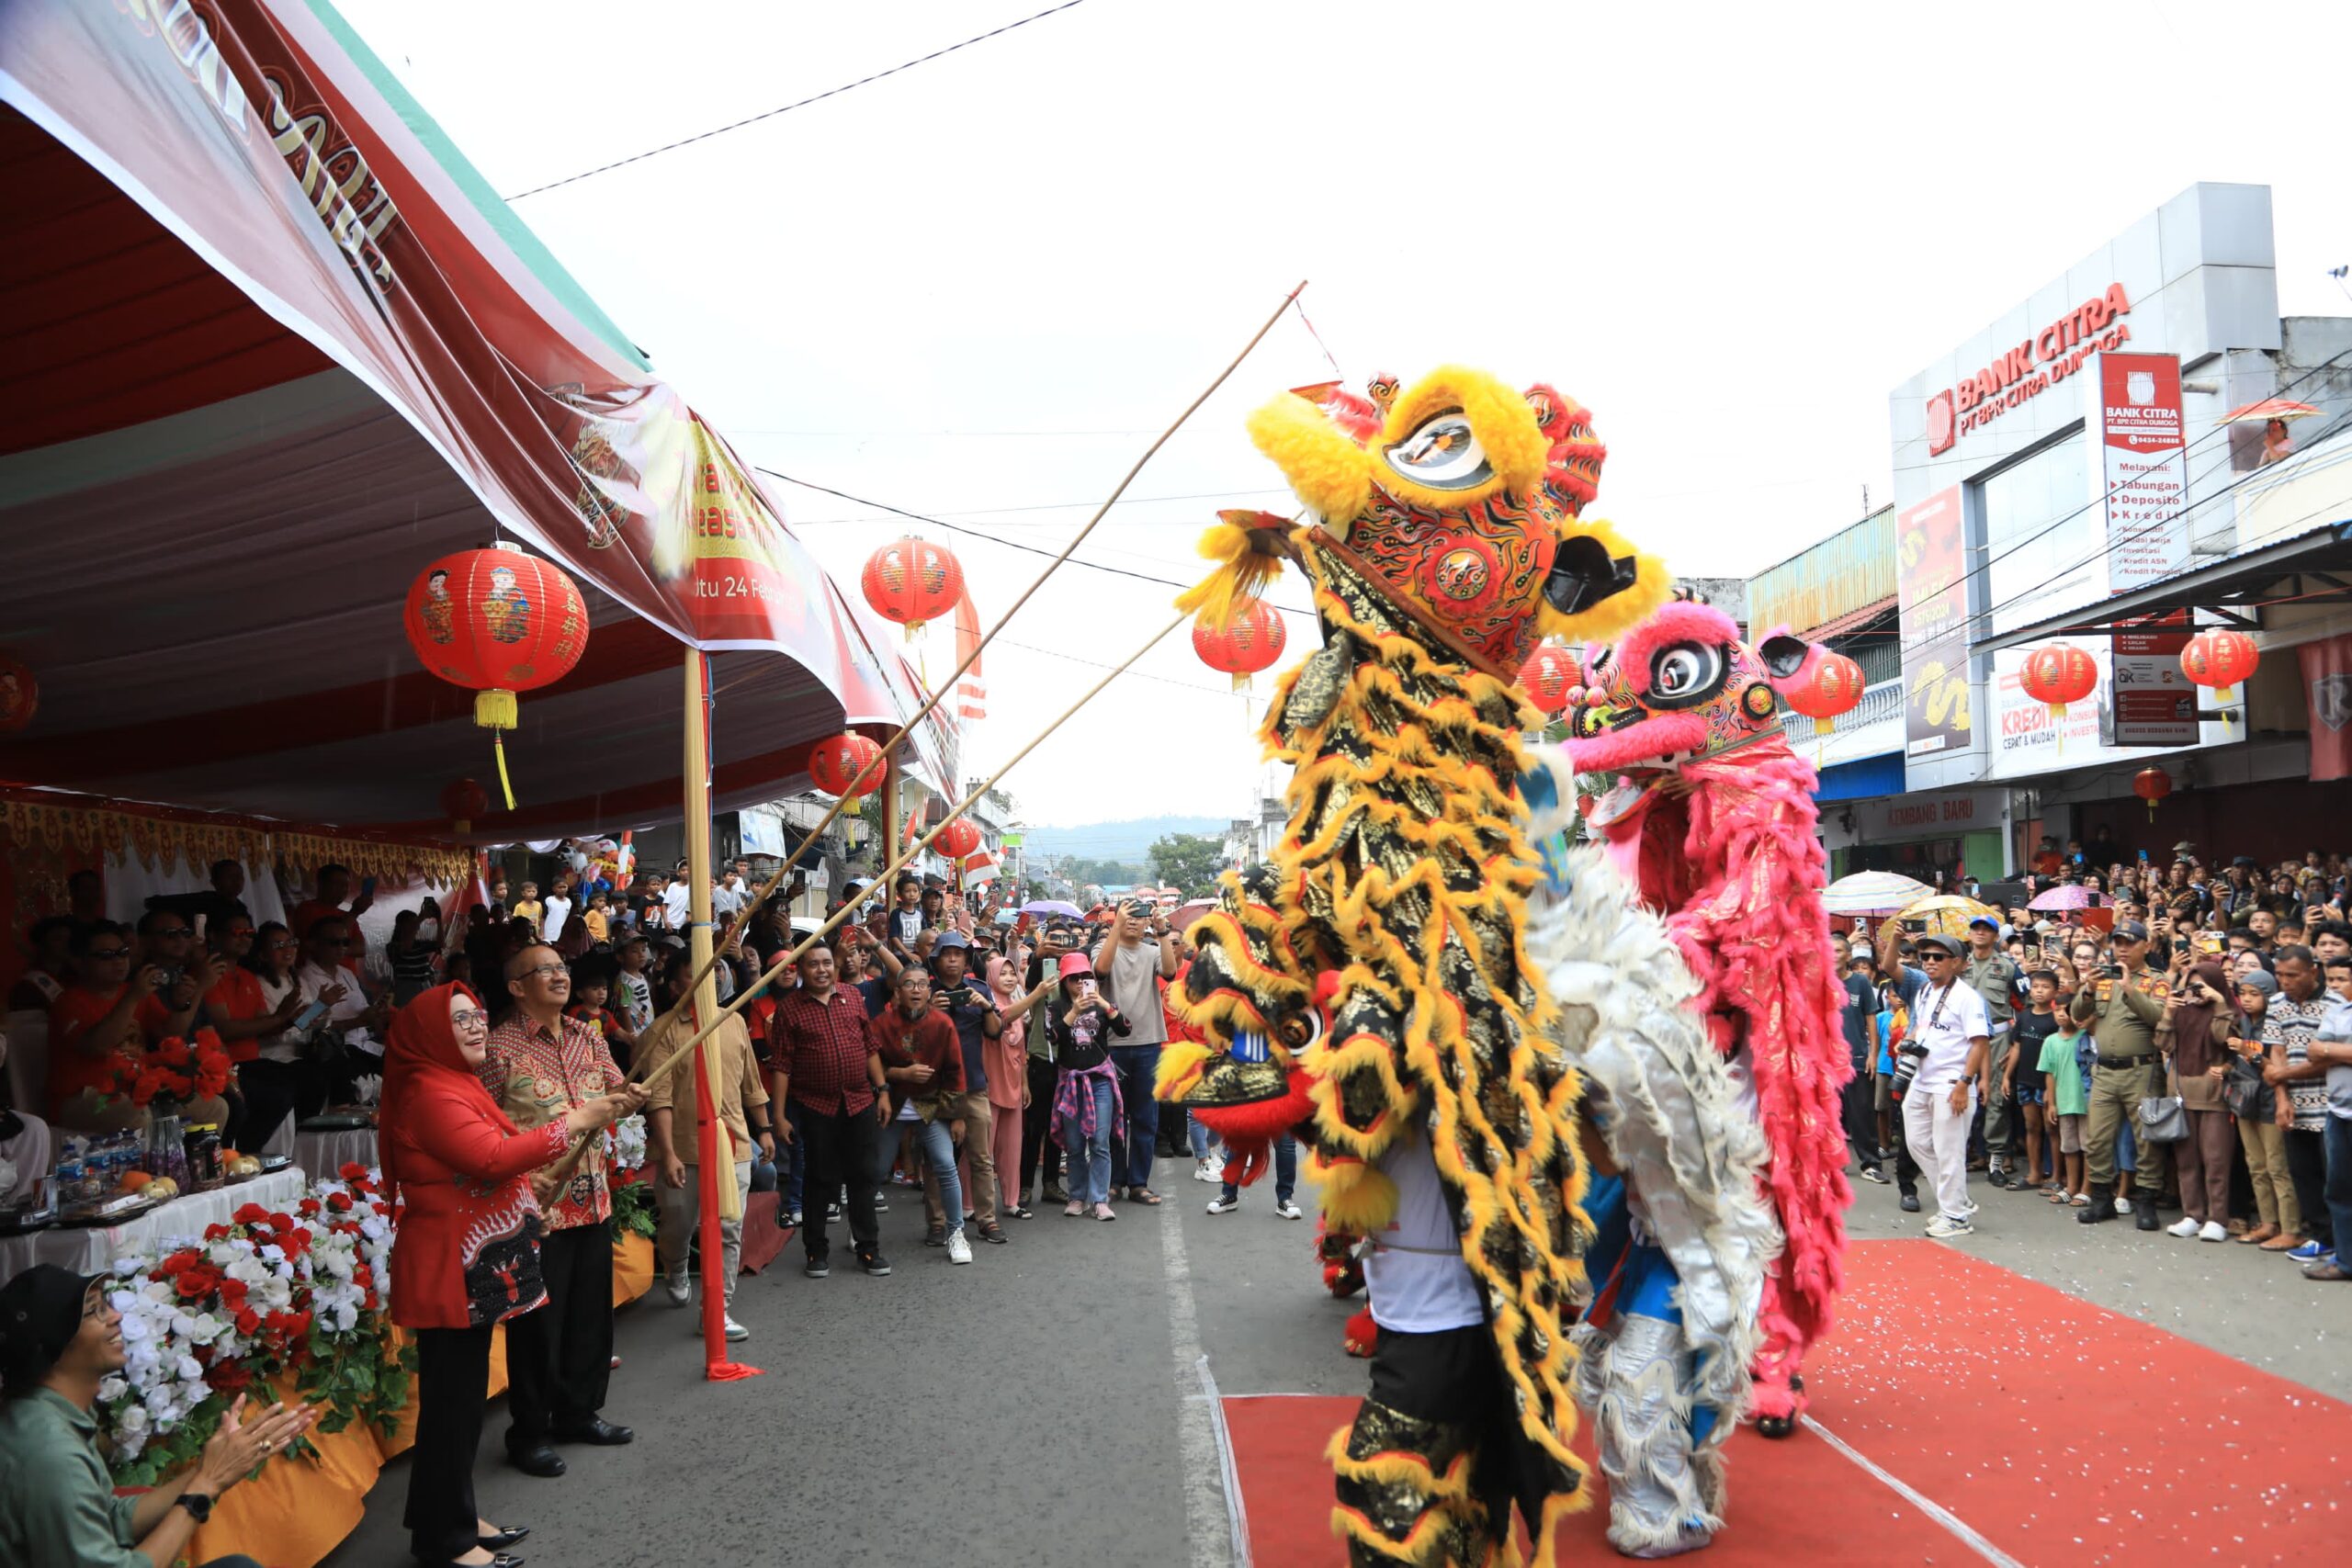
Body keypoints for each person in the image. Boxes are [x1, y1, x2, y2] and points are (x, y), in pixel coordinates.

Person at [381, 983, 635, 1567]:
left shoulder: (458, 1083)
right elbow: (490, 1159)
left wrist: (526, 1190)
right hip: (449, 1268)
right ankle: (444, 1543)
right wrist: (581, 1117)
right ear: (426, 1034)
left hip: (470, 1262)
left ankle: (450, 1518)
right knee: (453, 1406)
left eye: (476, 1014)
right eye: (458, 1019)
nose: (474, 1026)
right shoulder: (428, 1092)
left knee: (462, 1404)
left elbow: (490, 1158)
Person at [0, 1263, 318, 1568]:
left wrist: (215, 1467)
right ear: (54, 1347)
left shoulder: (44, 1414)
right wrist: (204, 1486)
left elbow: (110, 1517)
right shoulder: (50, 1453)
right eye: (95, 1311)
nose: (115, 1316)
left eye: (106, 1304)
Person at [478, 946, 635, 1476]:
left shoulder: (589, 1034)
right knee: (538, 1327)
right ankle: (529, 1432)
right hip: (536, 1209)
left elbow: (618, 1088)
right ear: (517, 987)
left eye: (562, 968)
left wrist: (631, 1094)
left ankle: (578, 1411)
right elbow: (484, 1130)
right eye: (544, 970)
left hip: (593, 1198)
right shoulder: (498, 1049)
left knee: (591, 1315)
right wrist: (520, 1179)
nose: (559, 976)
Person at [638, 955, 773, 1335]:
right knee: (679, 1225)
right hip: (682, 1149)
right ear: (677, 986)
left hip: (732, 1145)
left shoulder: (733, 1021)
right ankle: (676, 1264)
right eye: (692, 976)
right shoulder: (661, 1031)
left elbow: (750, 1084)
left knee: (730, 1227)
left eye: (713, 976)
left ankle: (717, 1309)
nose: (705, 983)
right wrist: (667, 1153)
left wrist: (763, 1128)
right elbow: (658, 1099)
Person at [767, 944, 891, 1279]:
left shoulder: (852, 997)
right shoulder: (790, 1010)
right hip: (814, 1105)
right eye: (813, 965)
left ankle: (868, 1248)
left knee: (864, 1176)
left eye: (826, 963)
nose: (821, 970)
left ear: (834, 966)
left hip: (860, 1100)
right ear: (802, 970)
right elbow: (781, 1066)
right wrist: (778, 1116)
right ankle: (815, 1251)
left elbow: (869, 1047)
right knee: (819, 1178)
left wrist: (882, 1091)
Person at [2070, 920, 2171, 1229]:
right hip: (2104, 1071)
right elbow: (2077, 1015)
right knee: (2098, 1139)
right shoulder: (2102, 978)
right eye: (2118, 942)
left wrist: (2130, 990)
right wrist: (2087, 989)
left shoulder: (2157, 980)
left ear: (2146, 946)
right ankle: (2102, 1199)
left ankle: (2146, 1201)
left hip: (2141, 1069)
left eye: (2130, 942)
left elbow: (2160, 1018)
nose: (2123, 948)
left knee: (2146, 1141)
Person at [869, 965, 972, 1263]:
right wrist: (897, 1075)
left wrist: (958, 1116)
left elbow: (955, 1071)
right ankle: (862, 1230)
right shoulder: (881, 1024)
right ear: (897, 993)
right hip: (895, 1102)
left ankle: (956, 1233)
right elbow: (869, 1061)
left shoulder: (943, 1024)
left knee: (945, 1164)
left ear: (929, 992)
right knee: (876, 1169)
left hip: (930, 1104)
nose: (915, 990)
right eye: (908, 985)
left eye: (921, 985)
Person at [1896, 933, 1991, 1238]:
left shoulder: (1967, 997)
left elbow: (1979, 1043)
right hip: (1922, 1079)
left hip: (1951, 1083)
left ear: (1958, 963)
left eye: (1938, 957)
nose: (1930, 962)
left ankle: (1955, 1216)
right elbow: (1923, 1029)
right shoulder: (1925, 990)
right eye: (1926, 957)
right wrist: (1909, 1042)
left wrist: (1965, 1083)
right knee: (1917, 1143)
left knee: (1949, 1151)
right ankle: (1956, 1200)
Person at [921, 931, 1009, 1245]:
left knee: (981, 1158)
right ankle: (937, 1222)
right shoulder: (924, 993)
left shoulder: (980, 990)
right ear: (936, 960)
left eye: (959, 954)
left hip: (973, 1086)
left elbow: (996, 1034)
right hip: (933, 1090)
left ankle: (987, 1219)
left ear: (967, 960)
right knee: (935, 1160)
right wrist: (930, 1010)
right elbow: (910, 1038)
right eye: (947, 954)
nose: (954, 960)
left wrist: (986, 1007)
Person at [1093, 898, 1179, 1203]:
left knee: (1145, 1117)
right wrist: (1115, 925)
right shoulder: (1104, 948)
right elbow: (1100, 970)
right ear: (1117, 917)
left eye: (1139, 915)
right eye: (1128, 914)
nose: (1133, 920)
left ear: (1146, 922)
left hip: (1149, 1043)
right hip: (1112, 1047)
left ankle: (1139, 1182)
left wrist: (1163, 932)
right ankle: (1115, 1181)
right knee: (1116, 1117)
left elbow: (1170, 972)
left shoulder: (1152, 950)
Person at [2262, 946, 2335, 1266]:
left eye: (2292, 975)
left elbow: (2327, 1059)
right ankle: (2321, 1238)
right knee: (2304, 1174)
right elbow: (2275, 1051)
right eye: (2280, 975)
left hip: (2332, 1105)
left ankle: (2340, 1240)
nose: (2285, 981)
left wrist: (2282, 1074)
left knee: (2336, 1178)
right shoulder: (2277, 1002)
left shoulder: (2335, 1003)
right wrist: (2282, 1098)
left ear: (2312, 972)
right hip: (2295, 1104)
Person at [1047, 950, 1128, 1220]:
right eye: (1074, 978)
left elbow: (1125, 1028)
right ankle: (1077, 1196)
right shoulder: (1057, 1006)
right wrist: (1074, 1011)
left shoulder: (1102, 1003)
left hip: (1100, 1081)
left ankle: (1100, 1199)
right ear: (1064, 981)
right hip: (1071, 1082)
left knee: (1100, 1141)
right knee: (1073, 1143)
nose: (1080, 983)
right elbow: (1053, 1036)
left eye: (1085, 977)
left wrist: (1104, 1004)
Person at [2229, 969, 2303, 1250]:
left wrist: (2249, 1053)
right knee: (2256, 1166)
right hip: (2246, 1100)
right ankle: (2268, 1223)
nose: (2246, 1000)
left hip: (2272, 1101)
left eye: (2254, 994)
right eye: (2243, 993)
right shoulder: (2244, 1022)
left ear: (2269, 996)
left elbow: (2277, 1067)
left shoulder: (2275, 1023)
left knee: (2277, 1167)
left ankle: (2291, 1227)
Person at [2301, 954, 2352, 1280]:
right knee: (2339, 1190)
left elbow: (2324, 1050)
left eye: (2341, 980)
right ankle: (2346, 1261)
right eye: (2330, 980)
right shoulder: (2338, 1012)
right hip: (2338, 1112)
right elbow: (2313, 1050)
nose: (2334, 986)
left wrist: (2330, 1051)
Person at [1960, 916, 2021, 1181]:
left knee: (1996, 1098)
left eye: (1987, 929)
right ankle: (1960, 1155)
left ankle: (1996, 1161)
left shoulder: (2008, 966)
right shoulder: (1959, 964)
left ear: (1996, 936)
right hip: (1963, 1040)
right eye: (1976, 929)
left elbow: (2029, 1004)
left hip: (1996, 1038)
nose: (1981, 933)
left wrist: (2016, 1041)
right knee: (1957, 1094)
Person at [2001, 969, 2059, 1194]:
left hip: (2047, 1082)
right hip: (2025, 1079)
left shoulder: (2056, 1019)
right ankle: (2034, 1173)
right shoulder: (2024, 1016)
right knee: (2031, 1126)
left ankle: (2055, 1175)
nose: (2039, 991)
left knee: (2051, 1129)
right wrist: (2007, 1076)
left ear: (2055, 991)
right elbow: (2017, 1047)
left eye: (2045, 987)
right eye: (2035, 987)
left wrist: (2051, 1089)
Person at [2038, 1002, 2091, 1205]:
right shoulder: (2051, 1041)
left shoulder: (2085, 1036)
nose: (2061, 1014)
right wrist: (2052, 1103)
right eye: (2057, 1010)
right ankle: (2071, 1186)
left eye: (2066, 1010)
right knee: (2069, 1146)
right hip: (2064, 1101)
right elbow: (2049, 1074)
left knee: (2087, 1146)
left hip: (2085, 1100)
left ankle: (2086, 1188)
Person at [387, 909, 441, 1009]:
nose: (415, 925)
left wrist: (439, 919)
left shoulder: (420, 945)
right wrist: (420, 919)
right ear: (401, 926)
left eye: (415, 923)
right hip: (406, 991)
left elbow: (441, 944)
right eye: (411, 922)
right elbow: (406, 947)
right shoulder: (393, 947)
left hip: (425, 987)